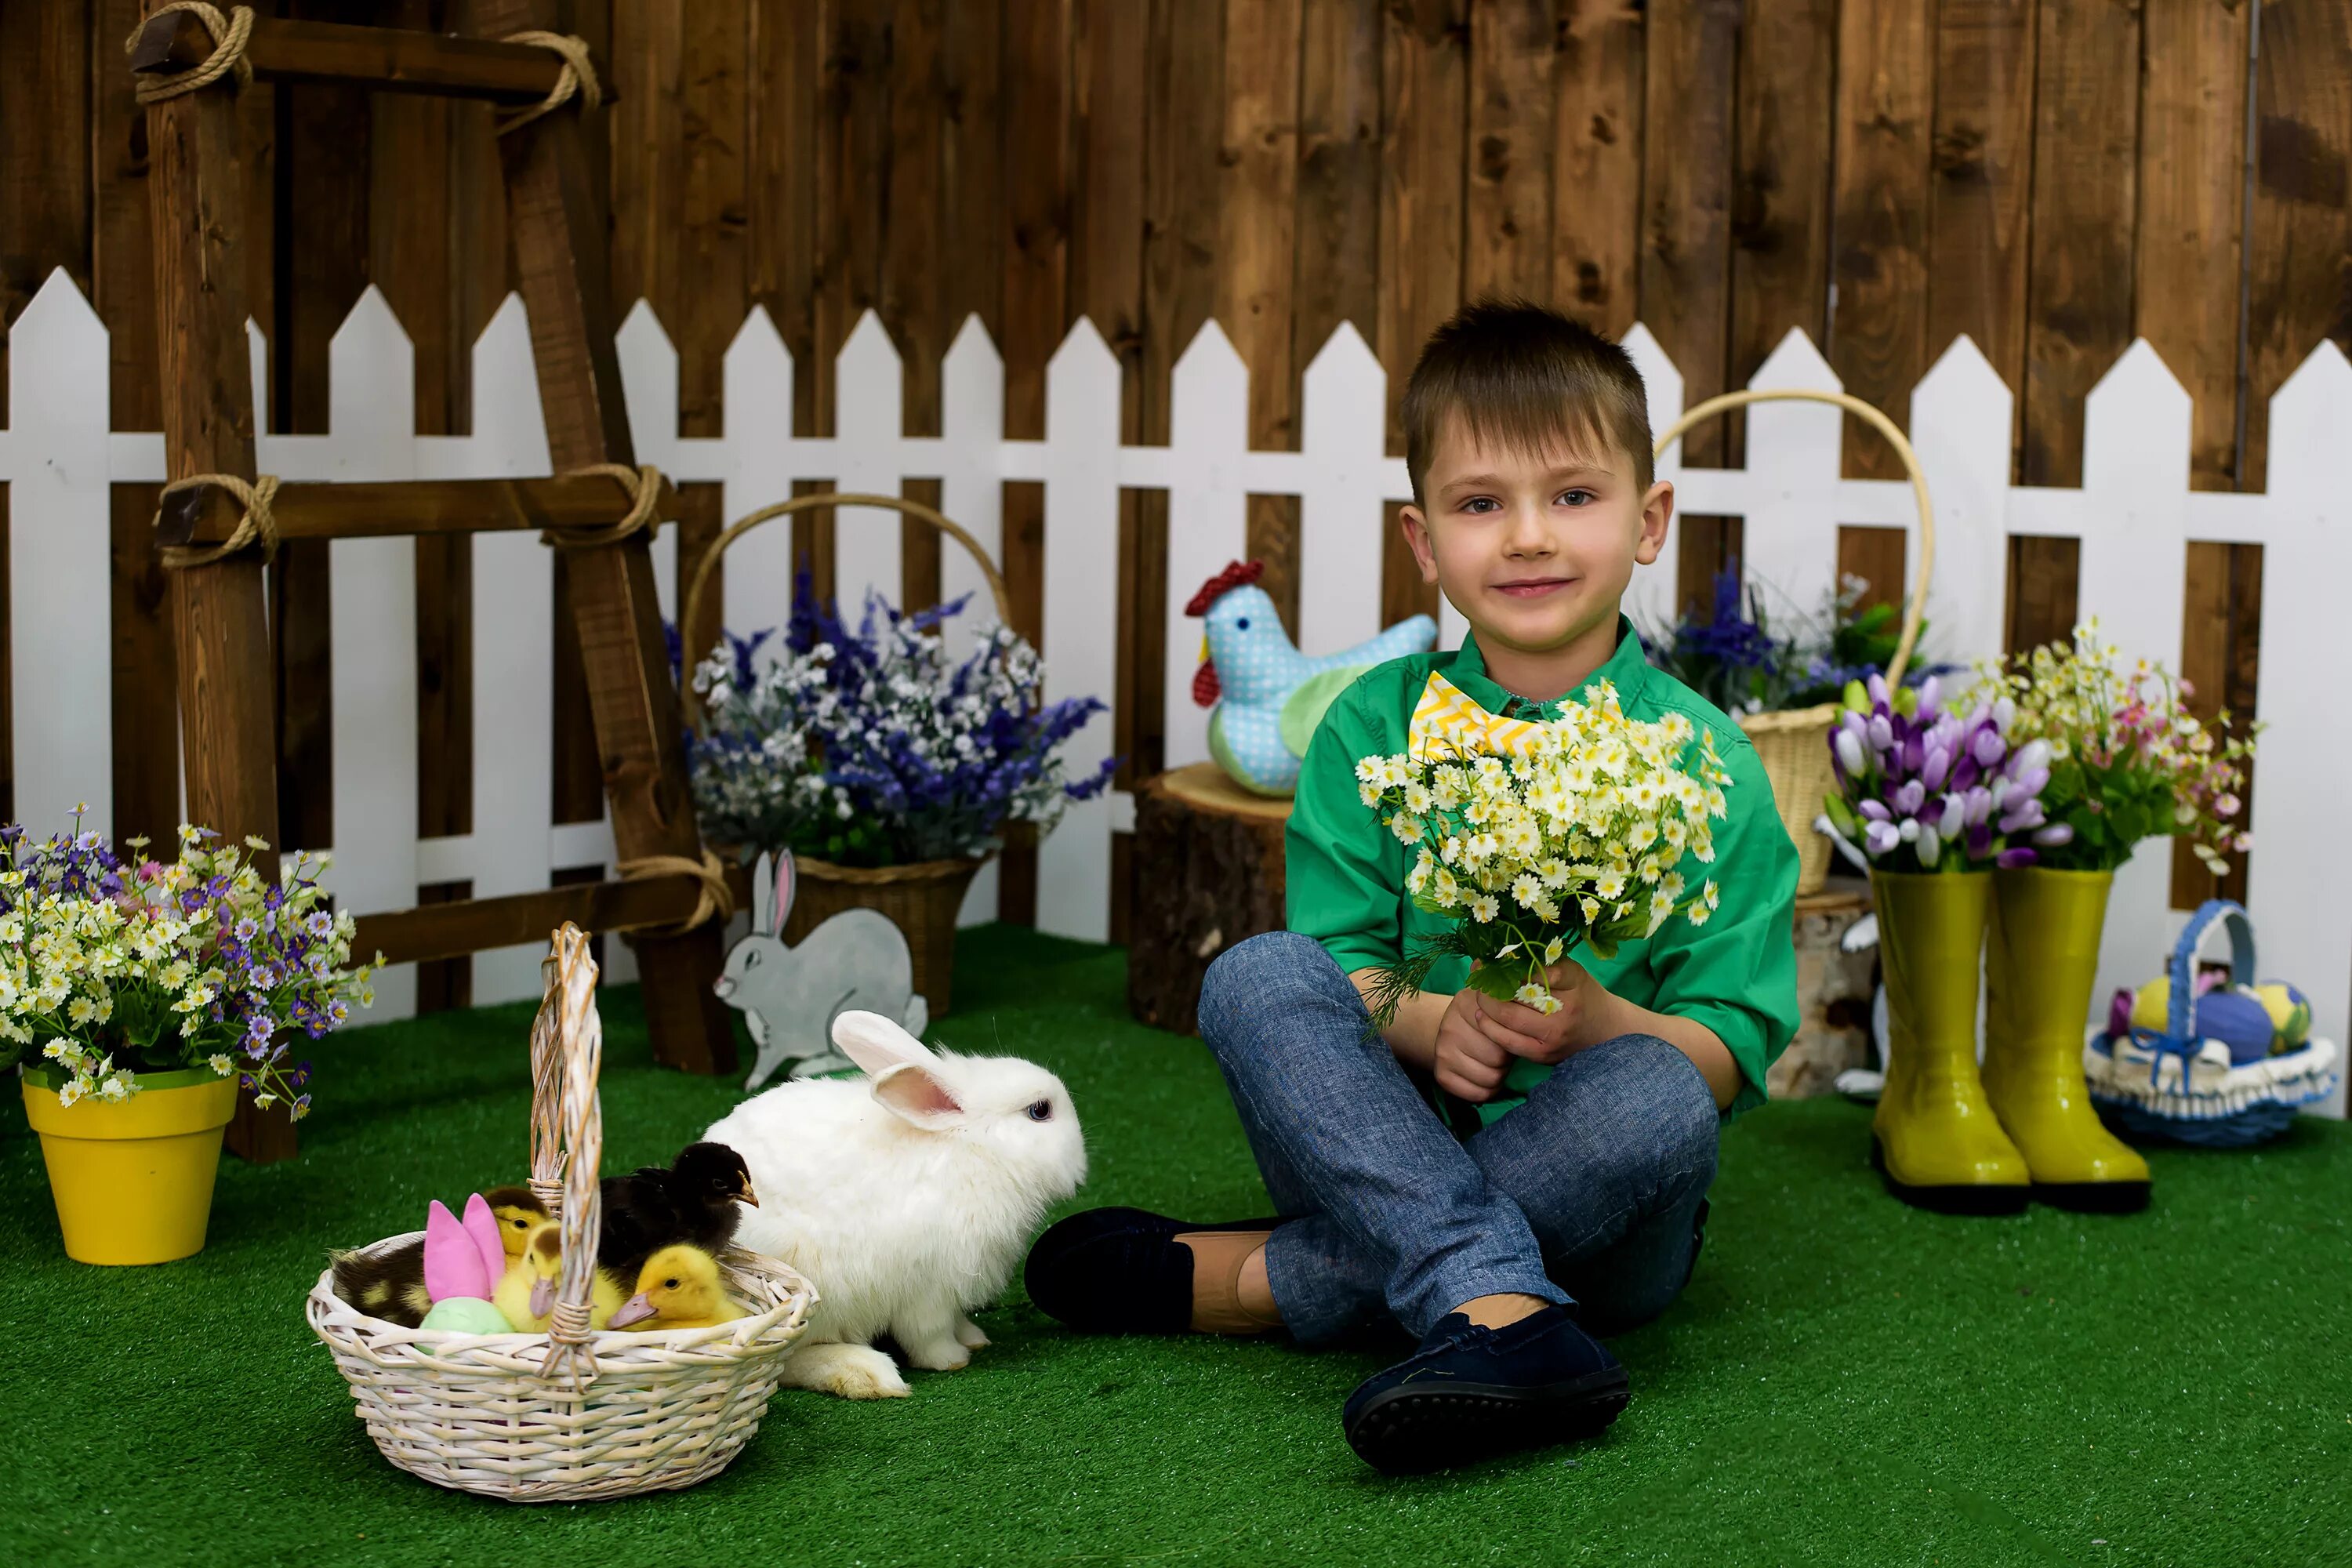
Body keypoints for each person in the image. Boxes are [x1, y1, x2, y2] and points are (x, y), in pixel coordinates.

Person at [1024, 297, 1800, 1475]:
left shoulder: (1710, 762)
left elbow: (1732, 1047)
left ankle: (1263, 1283)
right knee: (1258, 974)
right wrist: (1435, 1026)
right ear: (1424, 543)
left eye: (1575, 497)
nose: (1529, 537)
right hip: (1380, 1137)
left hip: (1614, 1223)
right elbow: (1338, 971)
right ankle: (1500, 1311)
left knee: (1658, 1094)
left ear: (1650, 522)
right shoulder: (1371, 733)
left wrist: (1597, 1026)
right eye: (1482, 504)